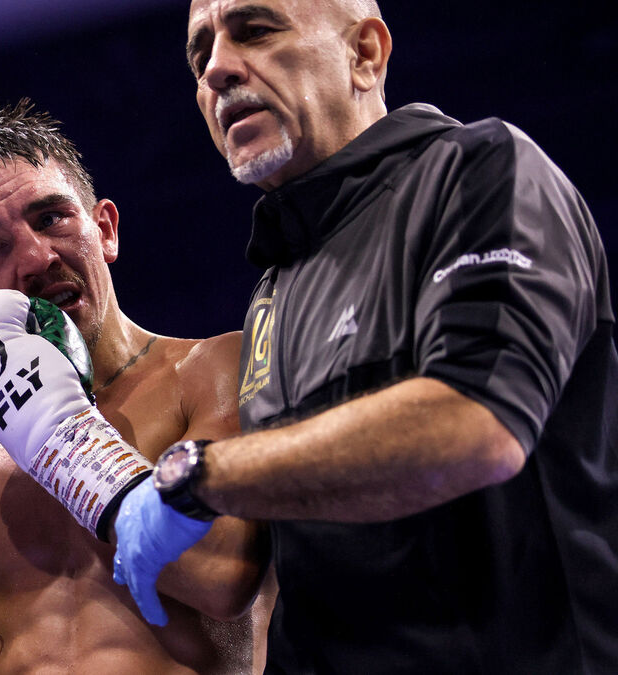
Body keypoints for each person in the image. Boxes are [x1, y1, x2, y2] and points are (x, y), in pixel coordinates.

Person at [111, 1, 618, 672]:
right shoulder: (273, 293)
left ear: (365, 55)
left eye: (254, 31)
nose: (217, 70)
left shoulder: (479, 172)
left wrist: (199, 475)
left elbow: (476, 423)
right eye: (200, 54)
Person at [0, 101, 272, 673]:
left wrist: (58, 438)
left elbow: (222, 574)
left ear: (105, 230)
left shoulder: (215, 372)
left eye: (51, 217)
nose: (35, 258)